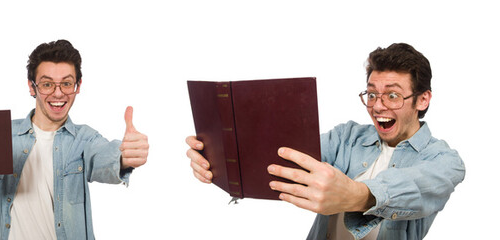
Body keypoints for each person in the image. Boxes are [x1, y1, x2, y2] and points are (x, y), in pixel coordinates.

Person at [186, 43, 465, 239]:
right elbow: (284, 158)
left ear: (423, 99)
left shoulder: (445, 162)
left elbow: (417, 187)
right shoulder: (346, 136)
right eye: (371, 94)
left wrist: (356, 195)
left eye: (392, 95)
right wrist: (218, 158)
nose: (378, 106)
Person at [0, 39, 149, 240]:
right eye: (47, 84)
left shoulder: (85, 139)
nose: (58, 93)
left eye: (66, 83)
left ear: (78, 86)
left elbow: (106, 156)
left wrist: (125, 156)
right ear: (31, 87)